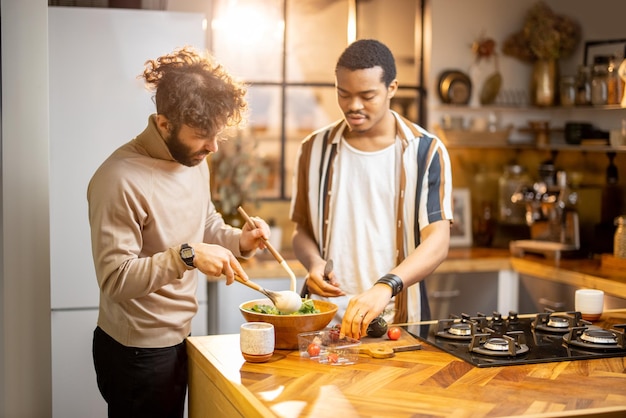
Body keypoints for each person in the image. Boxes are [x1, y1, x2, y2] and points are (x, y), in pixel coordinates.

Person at [87, 46, 270, 418]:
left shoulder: (191, 159)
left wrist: (239, 241)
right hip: (135, 352)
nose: (213, 147)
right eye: (203, 135)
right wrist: (187, 256)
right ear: (164, 123)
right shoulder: (118, 178)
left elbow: (204, 222)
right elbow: (115, 280)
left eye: (218, 134)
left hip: (180, 338)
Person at [290, 39, 453, 340]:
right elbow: (301, 230)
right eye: (343, 94)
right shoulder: (313, 149)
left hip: (396, 323)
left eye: (367, 96)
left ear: (392, 88)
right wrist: (314, 263)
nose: (353, 106)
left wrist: (385, 287)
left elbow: (438, 241)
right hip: (323, 324)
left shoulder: (426, 151)